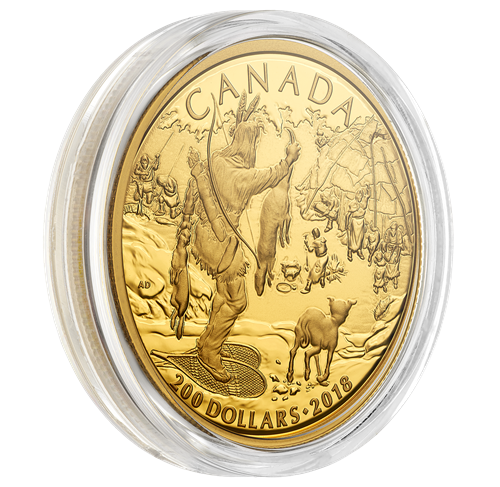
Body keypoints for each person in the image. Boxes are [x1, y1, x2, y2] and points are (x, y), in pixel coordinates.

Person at [170, 106, 301, 383]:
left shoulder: (216, 159)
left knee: (224, 293)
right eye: (255, 142)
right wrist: (289, 158)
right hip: (223, 246)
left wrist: (185, 229)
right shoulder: (243, 178)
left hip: (202, 238)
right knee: (237, 301)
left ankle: (207, 339)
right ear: (250, 145)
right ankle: (210, 350)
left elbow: (193, 192)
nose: (255, 148)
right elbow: (272, 175)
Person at [345, 184, 370, 261]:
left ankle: (359, 250)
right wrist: (347, 224)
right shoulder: (352, 203)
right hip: (354, 222)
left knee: (360, 237)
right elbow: (348, 214)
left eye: (361, 195)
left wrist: (368, 188)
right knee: (352, 238)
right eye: (358, 195)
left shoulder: (364, 202)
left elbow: (368, 195)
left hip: (361, 222)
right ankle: (349, 251)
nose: (360, 196)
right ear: (356, 195)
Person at [301, 227, 329, 294]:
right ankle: (322, 281)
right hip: (326, 257)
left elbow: (310, 250)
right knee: (322, 270)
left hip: (321, 259)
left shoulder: (316, 242)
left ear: (314, 235)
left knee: (313, 272)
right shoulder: (322, 239)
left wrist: (306, 244)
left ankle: (308, 287)